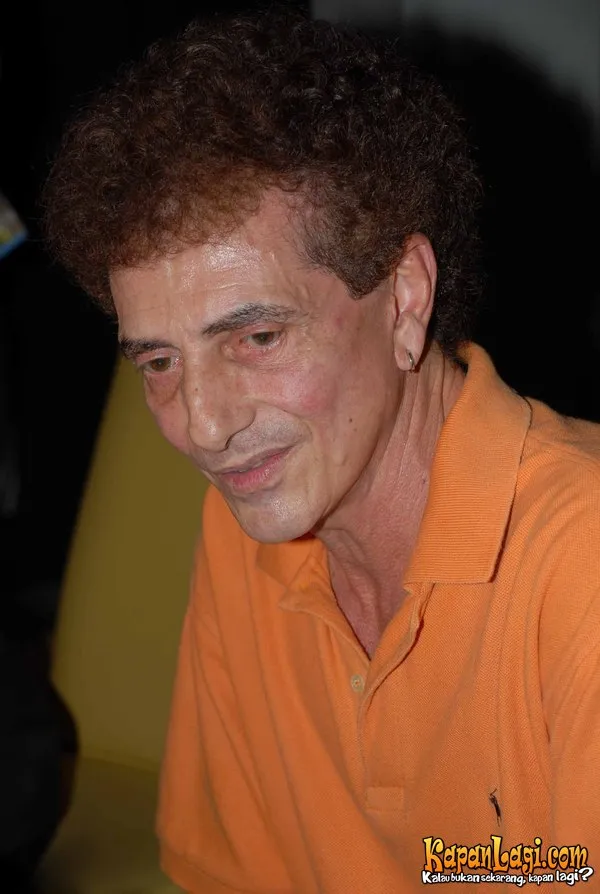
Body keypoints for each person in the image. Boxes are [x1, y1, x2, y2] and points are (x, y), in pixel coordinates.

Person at [43, 8, 600, 892]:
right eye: (158, 361)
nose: (203, 427)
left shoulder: (580, 573)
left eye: (256, 337)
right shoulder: (245, 536)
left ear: (405, 298)